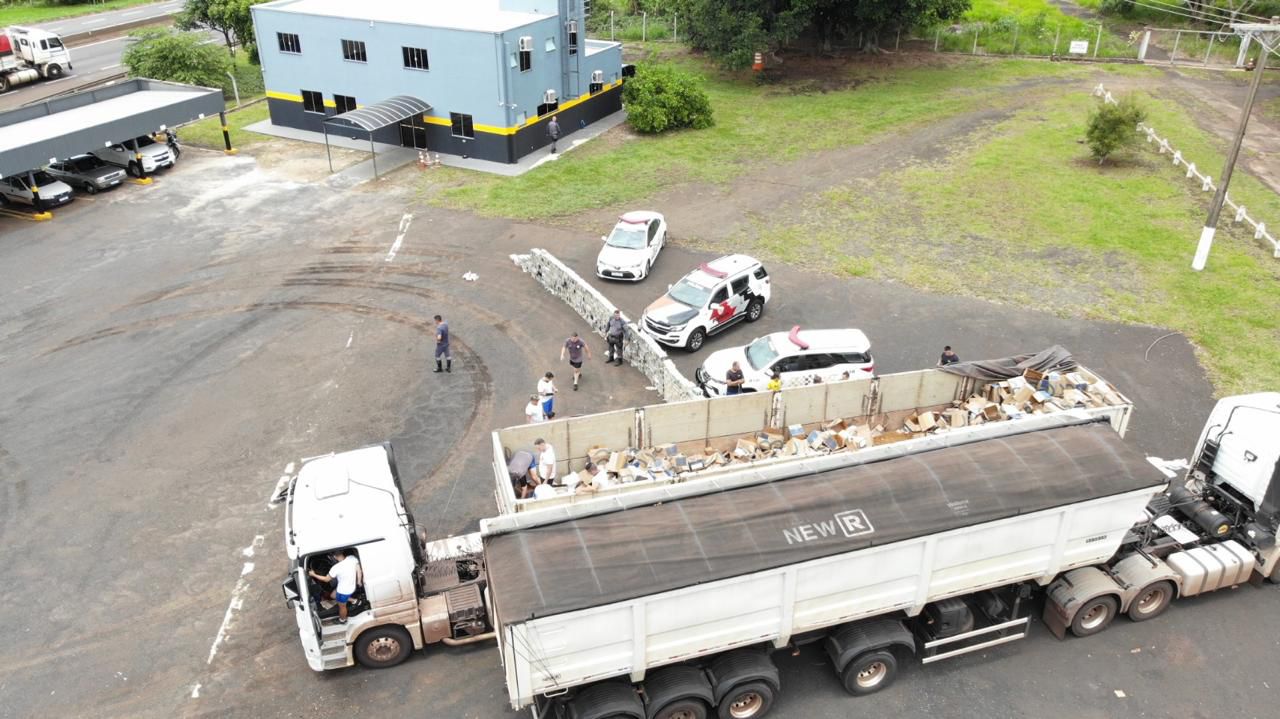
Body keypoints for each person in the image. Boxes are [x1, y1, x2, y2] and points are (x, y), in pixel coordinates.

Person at [308, 548, 362, 624]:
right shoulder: (352, 558)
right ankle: (355, 601)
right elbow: (359, 570)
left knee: (342, 607)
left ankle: (342, 620)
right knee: (333, 595)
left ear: (333, 556)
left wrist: (314, 574)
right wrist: (359, 582)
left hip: (343, 591)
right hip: (351, 587)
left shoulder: (336, 568)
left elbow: (326, 579)